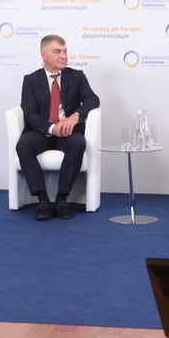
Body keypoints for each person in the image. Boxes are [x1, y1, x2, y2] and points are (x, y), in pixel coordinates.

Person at [16, 35, 99, 220]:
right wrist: (51, 128)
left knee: (78, 144)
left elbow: (93, 99)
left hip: (68, 132)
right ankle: (43, 201)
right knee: (23, 146)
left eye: (65, 51)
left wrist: (75, 116)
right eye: (57, 52)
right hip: (42, 131)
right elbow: (29, 113)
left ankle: (62, 199)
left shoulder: (76, 76)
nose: (63, 56)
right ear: (44, 55)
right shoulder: (31, 80)